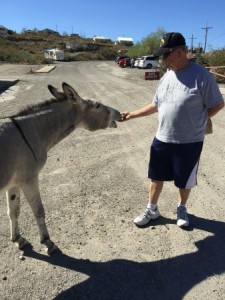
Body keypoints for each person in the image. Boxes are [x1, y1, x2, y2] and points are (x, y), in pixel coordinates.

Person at [120, 32, 224, 228]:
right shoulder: (166, 76)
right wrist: (132, 115)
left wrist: (200, 120)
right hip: (162, 138)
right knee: (156, 176)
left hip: (189, 141)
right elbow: (156, 105)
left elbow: (218, 104)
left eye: (164, 56)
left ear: (178, 52)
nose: (162, 60)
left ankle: (181, 207)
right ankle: (152, 209)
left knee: (184, 180)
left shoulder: (201, 76)